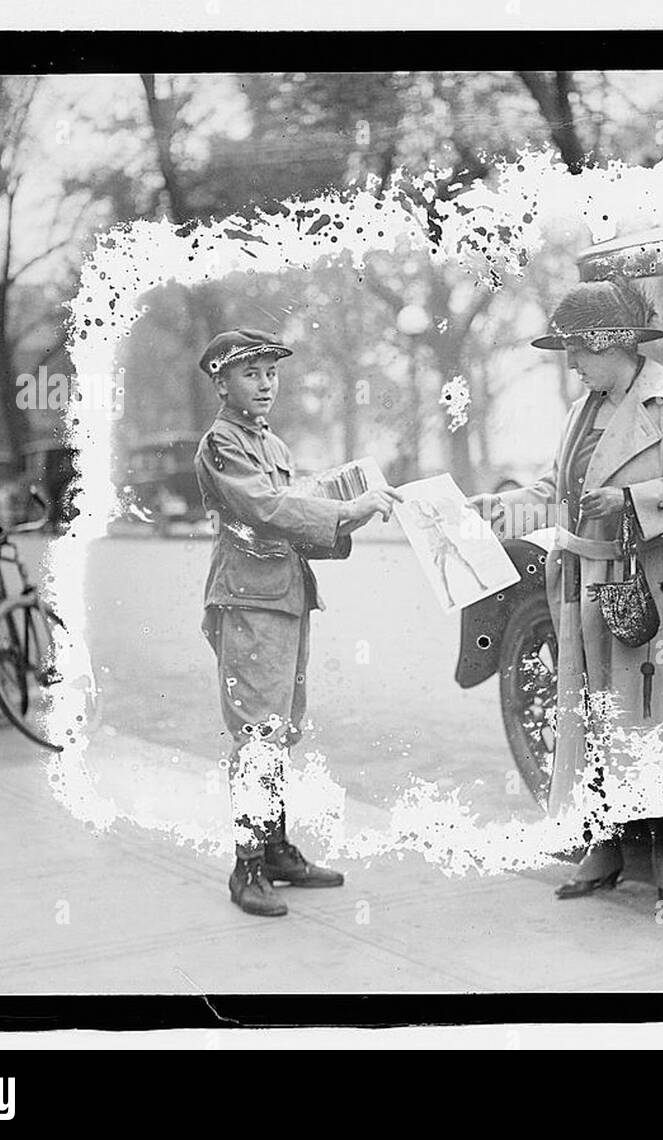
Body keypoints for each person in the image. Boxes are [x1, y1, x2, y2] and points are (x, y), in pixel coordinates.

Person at [470, 280, 663, 910]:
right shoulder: (585, 411)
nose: (571, 365)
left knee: (655, 715)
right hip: (596, 582)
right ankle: (602, 846)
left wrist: (632, 502)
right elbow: (556, 491)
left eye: (577, 351)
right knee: (600, 717)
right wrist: (495, 509)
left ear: (611, 345)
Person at [194, 328, 401, 917]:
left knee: (278, 731)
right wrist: (343, 509)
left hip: (283, 596)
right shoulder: (222, 444)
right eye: (250, 373)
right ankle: (248, 867)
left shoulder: (271, 444)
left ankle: (277, 849)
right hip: (250, 600)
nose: (264, 384)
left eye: (271, 373)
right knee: (257, 735)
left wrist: (353, 509)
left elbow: (293, 514)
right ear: (221, 381)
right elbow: (265, 508)